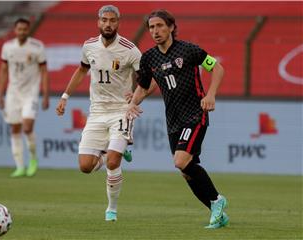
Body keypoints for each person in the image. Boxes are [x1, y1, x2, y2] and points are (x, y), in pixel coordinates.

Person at [126, 9, 229, 229]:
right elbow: (143, 87)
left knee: (180, 161)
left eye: (160, 26)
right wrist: (132, 104)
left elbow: (217, 68)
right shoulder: (149, 58)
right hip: (173, 119)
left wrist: (210, 95)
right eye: (151, 27)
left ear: (171, 27)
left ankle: (218, 200)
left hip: (195, 114)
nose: (155, 31)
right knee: (185, 171)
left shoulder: (189, 50)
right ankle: (217, 213)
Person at [56, 5, 141, 222]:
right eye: (104, 20)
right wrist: (65, 96)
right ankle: (117, 151)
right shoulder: (89, 46)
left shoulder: (129, 49)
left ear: (118, 23)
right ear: (98, 22)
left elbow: (145, 77)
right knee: (85, 167)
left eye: (112, 20)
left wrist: (136, 96)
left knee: (113, 163)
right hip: (96, 112)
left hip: (121, 111)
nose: (108, 24)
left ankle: (111, 209)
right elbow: (82, 70)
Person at [0, 18, 49, 178]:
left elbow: (44, 71)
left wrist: (45, 95)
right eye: (19, 29)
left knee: (27, 127)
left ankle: (33, 159)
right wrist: (0, 94)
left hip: (30, 93)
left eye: (24, 29)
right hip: (13, 93)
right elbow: (3, 70)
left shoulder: (37, 47)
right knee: (15, 129)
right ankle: (19, 166)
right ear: (15, 30)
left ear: (29, 30)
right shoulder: (7, 47)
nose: (22, 32)